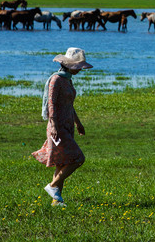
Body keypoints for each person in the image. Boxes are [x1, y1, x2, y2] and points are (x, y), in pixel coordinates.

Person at [32, 47, 93, 206]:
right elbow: (51, 104)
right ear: (69, 65)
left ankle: (56, 201)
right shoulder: (56, 80)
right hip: (57, 127)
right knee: (78, 158)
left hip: (67, 125)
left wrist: (78, 123)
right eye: (78, 66)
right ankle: (52, 186)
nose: (80, 69)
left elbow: (69, 105)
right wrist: (53, 126)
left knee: (62, 162)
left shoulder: (67, 80)